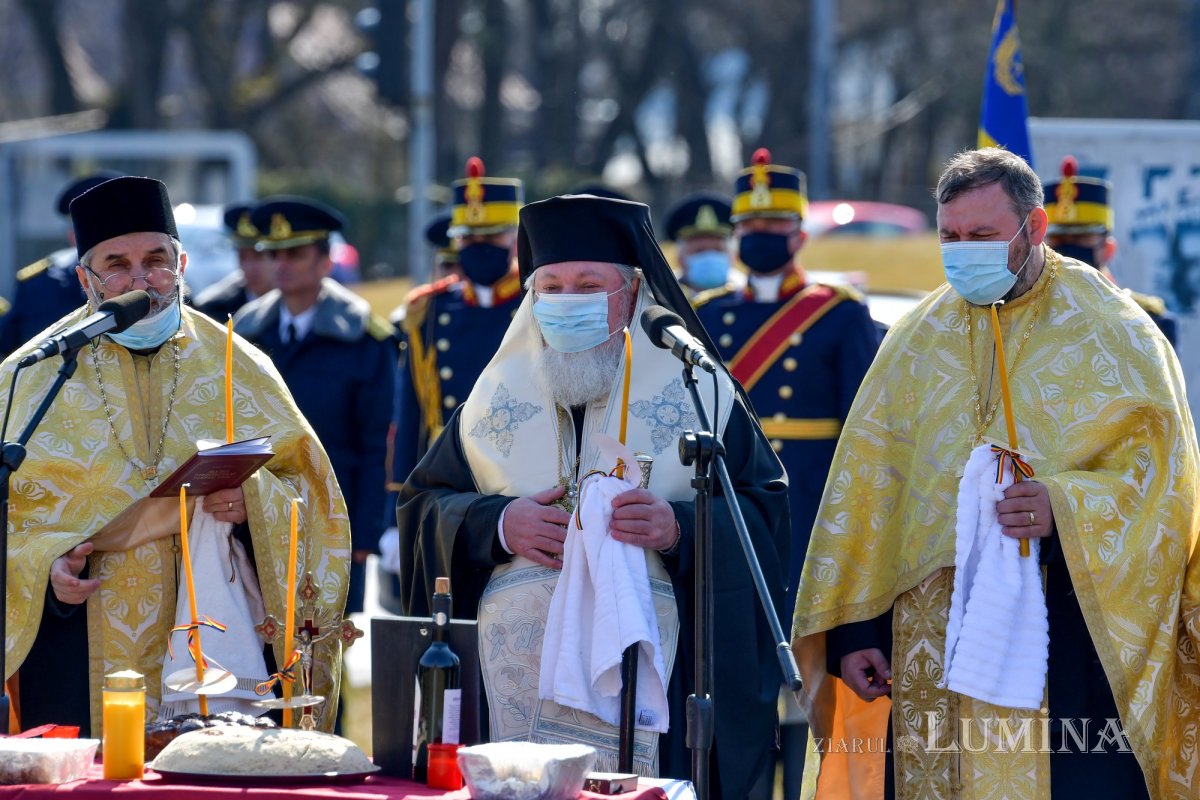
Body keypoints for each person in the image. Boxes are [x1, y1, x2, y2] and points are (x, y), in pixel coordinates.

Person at [792, 148, 1200, 799]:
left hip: (1069, 649)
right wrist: (857, 634)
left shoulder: (1116, 333)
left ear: (1034, 228)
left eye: (981, 237)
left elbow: (1163, 490)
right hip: (929, 648)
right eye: (950, 237)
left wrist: (1061, 506)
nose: (962, 253)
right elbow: (871, 490)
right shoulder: (915, 338)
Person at [396, 194, 790, 798]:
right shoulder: (496, 394)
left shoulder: (699, 388)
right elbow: (424, 504)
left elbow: (763, 513)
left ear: (632, 292)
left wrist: (680, 528)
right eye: (549, 285)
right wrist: (498, 525)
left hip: (657, 668)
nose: (565, 301)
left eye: (587, 284)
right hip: (512, 678)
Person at [2, 176, 350, 735]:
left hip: (216, 634)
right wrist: (44, 566)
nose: (140, 279)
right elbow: (13, 513)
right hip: (76, 647)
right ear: (84, 277)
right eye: (116, 263)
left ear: (182, 263)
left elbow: (315, 497)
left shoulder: (240, 365)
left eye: (156, 260)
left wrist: (253, 501)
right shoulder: (33, 375)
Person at [234, 196, 396, 617]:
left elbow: (377, 442)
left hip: (333, 517)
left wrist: (364, 535)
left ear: (326, 261)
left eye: (296, 253)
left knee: (325, 644)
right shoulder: (246, 333)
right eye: (274, 254)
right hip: (258, 513)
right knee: (261, 645)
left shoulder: (363, 338)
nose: (281, 265)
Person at [1043, 155, 1178, 347]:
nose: (1069, 248)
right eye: (1060, 240)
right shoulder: (1029, 317)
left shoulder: (1150, 320)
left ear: (1108, 248)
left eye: (1081, 238)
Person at [0, 172, 121, 358]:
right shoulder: (37, 286)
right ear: (71, 234)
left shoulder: (160, 283)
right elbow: (12, 354)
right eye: (82, 227)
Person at [192, 202, 276, 321]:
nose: (250, 268)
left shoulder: (295, 303)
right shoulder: (213, 308)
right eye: (243, 257)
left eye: (259, 257)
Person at [663, 191, 744, 296]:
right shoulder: (660, 297)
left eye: (717, 250)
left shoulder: (751, 295)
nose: (709, 256)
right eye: (699, 251)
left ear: (733, 256)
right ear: (679, 259)